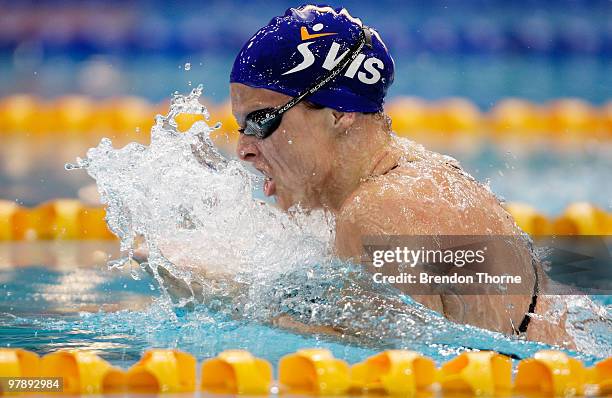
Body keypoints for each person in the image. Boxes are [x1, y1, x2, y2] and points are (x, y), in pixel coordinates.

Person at [141, 4, 572, 347]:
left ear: (339, 113)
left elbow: (406, 361)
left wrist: (220, 294)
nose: (244, 147)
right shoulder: (412, 174)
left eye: (262, 120)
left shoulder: (379, 212)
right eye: (241, 126)